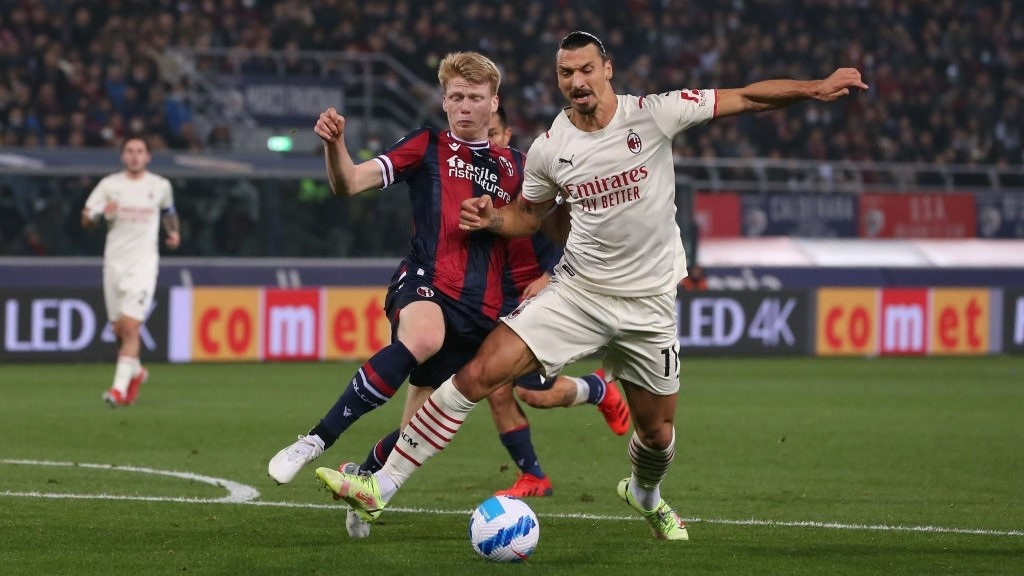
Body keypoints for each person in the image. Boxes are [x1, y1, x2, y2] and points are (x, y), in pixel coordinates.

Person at [318, 30, 867, 541]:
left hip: (649, 305)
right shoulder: (549, 148)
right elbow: (529, 216)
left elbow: (745, 97)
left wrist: (814, 88)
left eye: (585, 69)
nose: (576, 81)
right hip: (578, 293)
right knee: (479, 374)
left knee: (658, 435)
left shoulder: (656, 113)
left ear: (607, 70)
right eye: (565, 73)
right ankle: (379, 487)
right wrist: (494, 218)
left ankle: (645, 494)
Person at [266, 53, 627, 507]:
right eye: (456, 97)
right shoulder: (426, 145)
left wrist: (569, 222)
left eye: (475, 97)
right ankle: (315, 440)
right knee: (424, 337)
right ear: (444, 102)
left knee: (417, 430)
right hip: (427, 281)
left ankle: (365, 479)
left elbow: (553, 229)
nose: (465, 106)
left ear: (493, 102)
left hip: (483, 312)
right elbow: (349, 183)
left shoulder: (519, 166)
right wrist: (335, 146)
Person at [81, 136, 179, 407]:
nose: (135, 156)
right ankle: (135, 371)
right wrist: (100, 212)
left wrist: (173, 233)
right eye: (130, 151)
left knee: (131, 326)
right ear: (123, 156)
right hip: (114, 264)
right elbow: (86, 218)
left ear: (148, 156)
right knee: (118, 330)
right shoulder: (109, 186)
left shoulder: (160, 186)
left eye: (140, 151)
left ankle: (118, 390)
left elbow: (169, 211)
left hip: (143, 265)